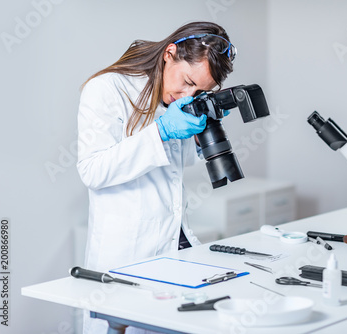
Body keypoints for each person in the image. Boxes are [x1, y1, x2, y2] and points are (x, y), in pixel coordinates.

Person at [76, 21, 236, 334]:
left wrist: (203, 135)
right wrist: (160, 133)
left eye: (200, 90)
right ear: (170, 53)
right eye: (187, 81)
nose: (187, 94)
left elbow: (174, 162)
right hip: (126, 253)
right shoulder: (108, 88)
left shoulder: (173, 100)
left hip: (174, 245)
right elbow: (92, 171)